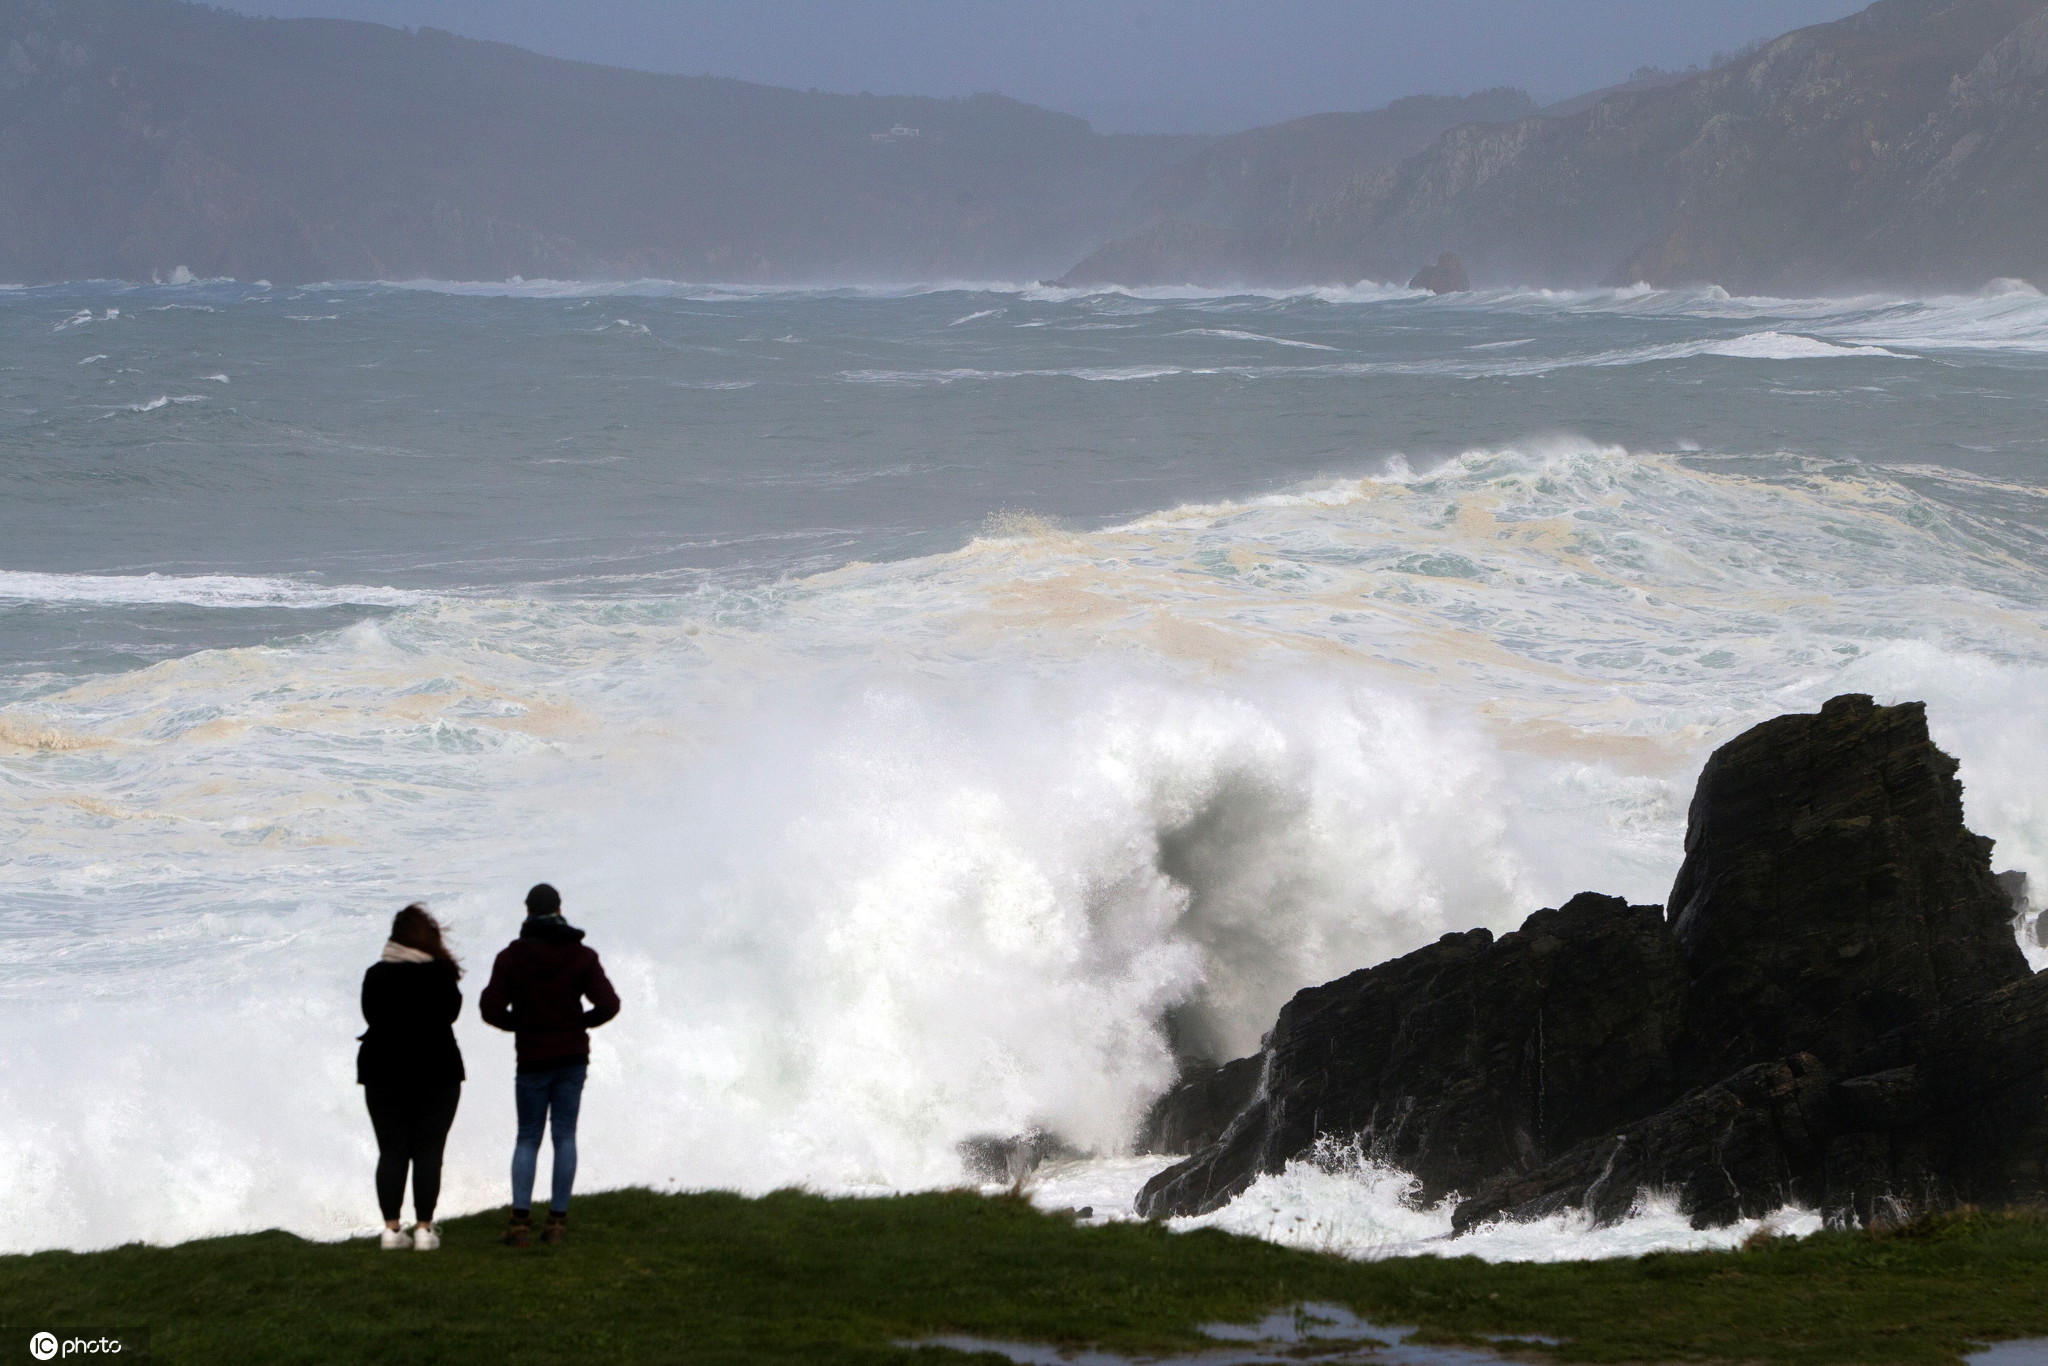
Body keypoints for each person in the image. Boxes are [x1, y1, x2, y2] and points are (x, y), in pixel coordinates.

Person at [480, 882, 620, 1247]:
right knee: (565, 1135)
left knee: (528, 1137)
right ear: (559, 910)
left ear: (527, 912)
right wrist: (578, 1023)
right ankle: (557, 1223)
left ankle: (519, 1224)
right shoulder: (582, 956)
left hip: (532, 1058)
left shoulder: (511, 958)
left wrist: (522, 1025)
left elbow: (490, 1009)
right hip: (572, 1056)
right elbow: (609, 1004)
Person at [356, 903, 465, 1251]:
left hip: (382, 1070)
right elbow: (451, 1014)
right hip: (437, 1069)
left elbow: (370, 1014)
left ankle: (390, 1230)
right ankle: (423, 1229)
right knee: (429, 1151)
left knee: (391, 1152)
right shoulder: (440, 975)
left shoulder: (376, 974)